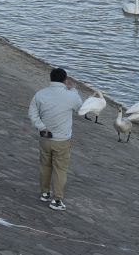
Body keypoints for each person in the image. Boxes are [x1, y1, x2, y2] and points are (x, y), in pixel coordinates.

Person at [28, 68, 83, 211]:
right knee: (60, 169)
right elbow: (80, 109)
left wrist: (41, 126)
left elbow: (32, 113)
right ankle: (57, 200)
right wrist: (73, 90)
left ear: (50, 79)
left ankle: (45, 193)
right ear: (65, 81)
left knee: (45, 165)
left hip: (45, 137)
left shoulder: (40, 94)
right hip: (62, 140)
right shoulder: (70, 96)